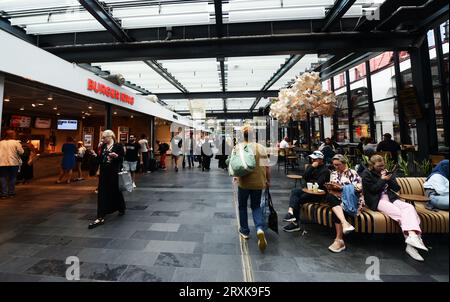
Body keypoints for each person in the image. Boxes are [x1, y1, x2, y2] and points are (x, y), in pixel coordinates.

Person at [361, 155, 428, 261]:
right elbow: (373, 190)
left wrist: (389, 178)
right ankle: (413, 243)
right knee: (400, 214)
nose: (381, 168)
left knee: (409, 208)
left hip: (391, 198)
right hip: (377, 200)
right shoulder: (366, 174)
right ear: (372, 165)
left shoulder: (386, 172)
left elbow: (397, 188)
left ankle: (411, 240)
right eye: (379, 166)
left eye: (383, 165)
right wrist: (383, 180)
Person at [234, 125, 270, 252]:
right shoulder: (260, 147)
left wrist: (236, 176)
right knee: (256, 206)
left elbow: (235, 165)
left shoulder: (238, 147)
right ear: (253, 135)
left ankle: (245, 231)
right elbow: (266, 167)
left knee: (242, 206)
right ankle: (259, 228)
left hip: (244, 182)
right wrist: (267, 181)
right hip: (258, 183)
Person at [283, 151, 330, 232]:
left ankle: (295, 223)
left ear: (320, 160)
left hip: (318, 194)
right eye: (312, 159)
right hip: (308, 190)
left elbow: (318, 184)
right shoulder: (312, 166)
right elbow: (304, 177)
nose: (312, 161)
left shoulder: (325, 171)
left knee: (298, 198)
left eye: (314, 159)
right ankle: (290, 212)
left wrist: (309, 184)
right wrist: (311, 167)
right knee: (295, 191)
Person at [325, 154, 363, 253]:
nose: (336, 167)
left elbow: (359, 188)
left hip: (351, 200)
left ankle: (339, 240)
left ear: (344, 163)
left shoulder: (353, 173)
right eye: (334, 165)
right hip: (337, 198)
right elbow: (333, 188)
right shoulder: (333, 173)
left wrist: (342, 188)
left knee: (336, 208)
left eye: (338, 164)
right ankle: (345, 224)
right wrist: (331, 187)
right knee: (331, 198)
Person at [89, 130, 126, 229]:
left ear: (110, 137)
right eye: (103, 137)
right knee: (102, 192)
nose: (103, 139)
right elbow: (101, 160)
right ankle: (101, 214)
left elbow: (122, 159)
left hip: (114, 172)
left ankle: (121, 207)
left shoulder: (118, 146)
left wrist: (116, 156)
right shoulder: (102, 146)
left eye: (104, 137)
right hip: (104, 173)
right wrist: (95, 156)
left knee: (115, 191)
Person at [0, 130, 24, 198]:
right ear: (13, 135)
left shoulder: (0, 143)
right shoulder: (16, 143)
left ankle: (3, 194)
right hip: (13, 163)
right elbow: (21, 152)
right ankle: (11, 193)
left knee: (2, 178)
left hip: (2, 163)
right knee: (12, 178)